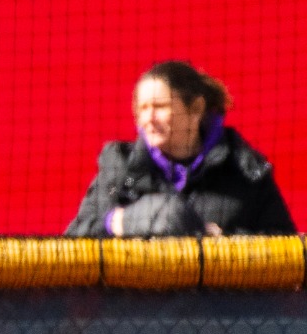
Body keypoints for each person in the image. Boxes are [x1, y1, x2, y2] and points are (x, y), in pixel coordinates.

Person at [65, 61, 296, 237]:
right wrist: (131, 220)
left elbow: (285, 249)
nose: (148, 119)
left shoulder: (245, 172)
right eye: (142, 109)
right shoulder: (120, 167)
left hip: (219, 300)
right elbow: (76, 236)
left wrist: (223, 244)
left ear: (196, 109)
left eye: (159, 107)